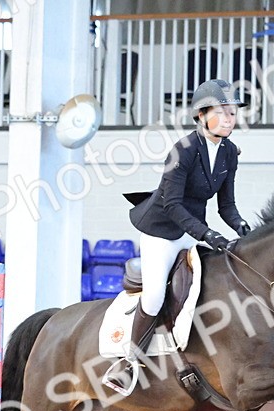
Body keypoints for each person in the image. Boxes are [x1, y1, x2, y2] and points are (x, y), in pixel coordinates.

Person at [104, 79, 251, 394]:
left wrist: (240, 225)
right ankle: (128, 361)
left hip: (193, 228)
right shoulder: (182, 150)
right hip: (163, 230)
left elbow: (226, 204)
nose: (229, 118)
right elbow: (171, 204)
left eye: (233, 112)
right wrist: (207, 234)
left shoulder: (229, 153)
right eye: (222, 112)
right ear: (201, 115)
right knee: (155, 295)